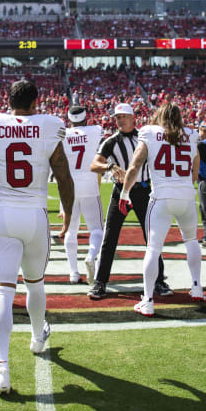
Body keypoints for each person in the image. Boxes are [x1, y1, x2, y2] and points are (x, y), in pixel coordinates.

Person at [0, 79, 74, 395]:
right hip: (35, 216)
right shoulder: (48, 126)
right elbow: (63, 176)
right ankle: (36, 338)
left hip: (4, 216)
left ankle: (2, 371)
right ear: (36, 102)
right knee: (35, 283)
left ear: (9, 101)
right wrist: (70, 216)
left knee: (3, 292)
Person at [119, 102, 205, 317]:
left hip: (162, 197)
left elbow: (135, 164)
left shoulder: (149, 132)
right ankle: (196, 287)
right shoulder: (192, 133)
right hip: (186, 197)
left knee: (153, 249)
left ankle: (147, 300)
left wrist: (124, 193)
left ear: (159, 116)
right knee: (191, 240)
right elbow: (196, 169)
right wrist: (184, 183)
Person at [88, 103, 173, 300]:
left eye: (124, 116)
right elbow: (94, 164)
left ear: (133, 117)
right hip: (120, 192)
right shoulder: (111, 141)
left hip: (143, 191)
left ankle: (159, 280)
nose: (120, 120)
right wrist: (110, 167)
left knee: (152, 237)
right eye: (117, 117)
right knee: (109, 238)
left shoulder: (145, 137)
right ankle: (100, 282)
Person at [60, 105, 104, 284]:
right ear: (86, 117)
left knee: (71, 229)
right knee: (97, 229)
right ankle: (91, 255)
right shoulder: (95, 130)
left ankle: (73, 273)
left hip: (69, 184)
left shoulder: (63, 134)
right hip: (89, 182)